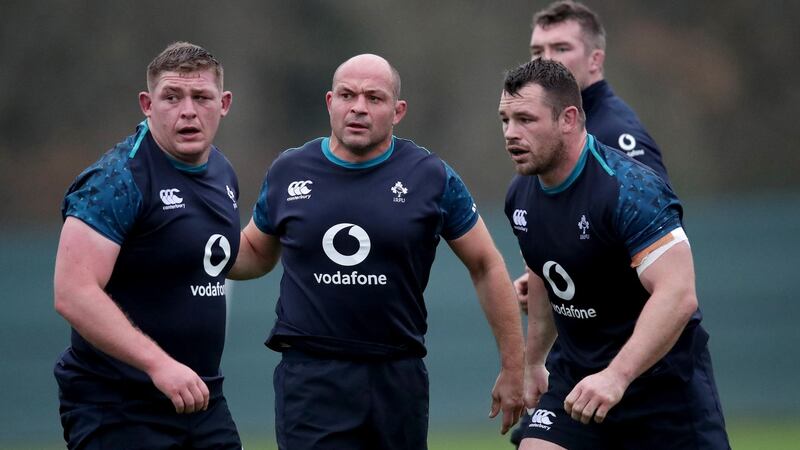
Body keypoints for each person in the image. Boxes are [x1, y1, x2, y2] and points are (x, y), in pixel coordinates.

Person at [228, 53, 525, 449]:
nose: (359, 108)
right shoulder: (289, 170)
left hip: (396, 376)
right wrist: (197, 252)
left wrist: (513, 366)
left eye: (374, 98)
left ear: (398, 110)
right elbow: (254, 251)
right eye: (348, 95)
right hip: (312, 378)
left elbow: (486, 264)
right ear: (330, 102)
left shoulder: (430, 176)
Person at [499, 58, 729, 449]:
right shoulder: (520, 195)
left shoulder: (629, 189)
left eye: (525, 119)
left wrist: (617, 376)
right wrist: (534, 361)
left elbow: (678, 295)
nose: (510, 134)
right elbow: (542, 274)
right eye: (505, 120)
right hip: (576, 380)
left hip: (661, 388)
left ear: (568, 119)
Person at [53, 42, 242, 449]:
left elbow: (217, 255)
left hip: (202, 400)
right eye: (172, 97)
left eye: (201, 97)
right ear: (147, 103)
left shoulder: (223, 170)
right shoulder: (116, 179)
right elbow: (73, 292)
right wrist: (158, 365)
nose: (187, 110)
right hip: (117, 406)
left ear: (223, 103)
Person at [510, 5, 676, 442]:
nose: (546, 60)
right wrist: (550, 271)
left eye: (560, 48)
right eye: (537, 49)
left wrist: (575, 270)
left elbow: (660, 242)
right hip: (579, 356)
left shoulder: (618, 137)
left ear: (595, 60)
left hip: (647, 362)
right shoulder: (533, 150)